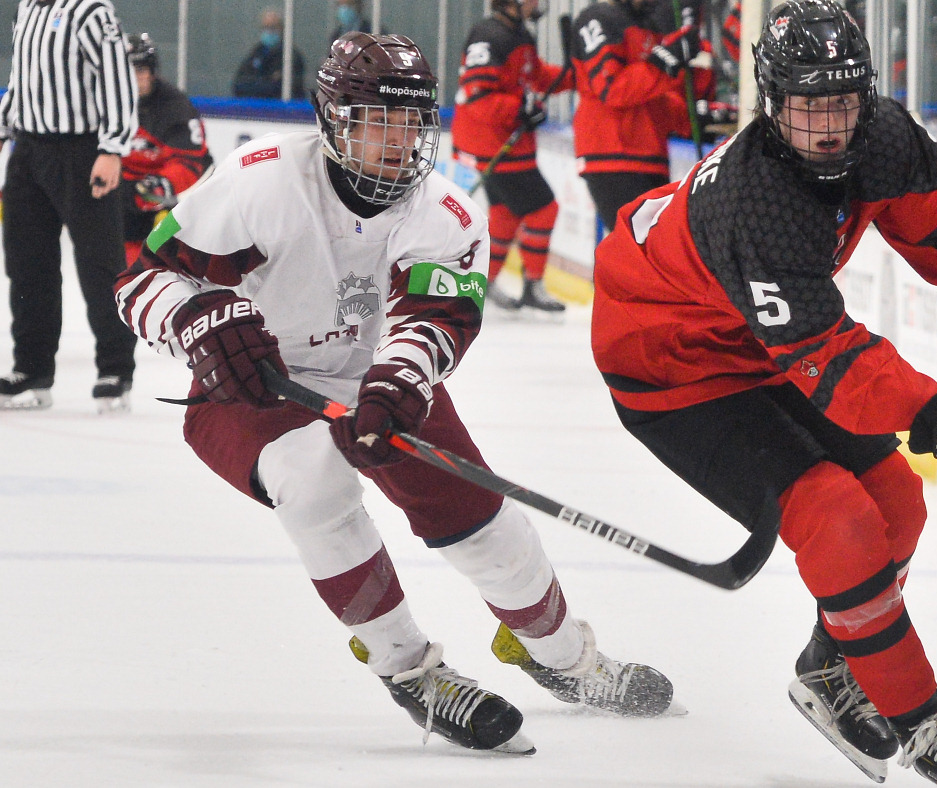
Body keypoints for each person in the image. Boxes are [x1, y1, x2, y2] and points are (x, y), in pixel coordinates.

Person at [113, 32, 676, 754]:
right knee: (313, 483)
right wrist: (196, 319)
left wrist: (399, 382)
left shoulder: (446, 211)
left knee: (491, 531)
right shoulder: (261, 182)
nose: (398, 140)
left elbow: (435, 318)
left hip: (378, 379)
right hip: (256, 385)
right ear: (332, 118)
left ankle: (566, 658)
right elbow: (145, 277)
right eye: (377, 121)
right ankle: (409, 669)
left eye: (410, 122)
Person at [590, 2, 937, 785]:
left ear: (866, 94)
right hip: (669, 363)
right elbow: (832, 361)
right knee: (837, 518)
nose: (828, 126)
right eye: (807, 105)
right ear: (771, 103)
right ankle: (919, 725)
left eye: (843, 101)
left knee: (898, 503)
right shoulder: (756, 202)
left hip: (753, 338)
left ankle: (832, 667)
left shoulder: (881, 138)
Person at [0, 0, 139, 412]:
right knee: (27, 264)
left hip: (81, 152)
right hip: (29, 149)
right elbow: (22, 78)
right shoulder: (27, 7)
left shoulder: (91, 11)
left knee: (100, 264)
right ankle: (31, 368)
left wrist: (112, 148)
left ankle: (115, 369)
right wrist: (4, 126)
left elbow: (116, 78)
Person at [453, 0, 573, 313]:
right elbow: (478, 94)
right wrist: (519, 109)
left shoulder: (519, 34)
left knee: (505, 215)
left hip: (504, 142)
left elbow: (538, 76)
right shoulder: (489, 35)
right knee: (544, 208)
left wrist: (575, 73)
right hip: (492, 142)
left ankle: (484, 281)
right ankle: (533, 285)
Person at [570, 0, 714, 231]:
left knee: (659, 246)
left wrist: (693, 116)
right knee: (640, 248)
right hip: (612, 155)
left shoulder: (650, 21)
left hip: (650, 156)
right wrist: (665, 60)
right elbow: (613, 89)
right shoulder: (598, 18)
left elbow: (654, 97)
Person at [119, 34, 213, 270]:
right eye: (128, 70)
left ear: (152, 72)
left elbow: (191, 163)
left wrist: (160, 186)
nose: (135, 78)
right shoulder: (107, 102)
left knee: (176, 255)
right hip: (129, 193)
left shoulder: (174, 106)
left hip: (174, 195)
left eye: (141, 70)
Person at [232, 8, 306, 99]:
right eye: (265, 27)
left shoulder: (290, 56)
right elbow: (239, 83)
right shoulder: (256, 52)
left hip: (279, 106)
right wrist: (265, 82)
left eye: (273, 27)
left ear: (282, 29)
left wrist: (258, 83)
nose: (269, 31)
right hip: (254, 105)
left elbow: (282, 88)